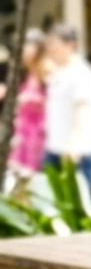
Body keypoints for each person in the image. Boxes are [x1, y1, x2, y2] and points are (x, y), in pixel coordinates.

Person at [42, 24, 91, 217]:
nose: (50, 51)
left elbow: (83, 111)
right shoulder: (58, 72)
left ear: (71, 44)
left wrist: (74, 145)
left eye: (55, 46)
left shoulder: (82, 73)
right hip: (55, 147)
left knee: (90, 198)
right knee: (59, 201)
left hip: (80, 151)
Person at [9, 29, 48, 177]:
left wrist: (29, 99)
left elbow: (53, 100)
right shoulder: (25, 71)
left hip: (38, 132)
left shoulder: (46, 70)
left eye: (28, 46)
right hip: (23, 129)